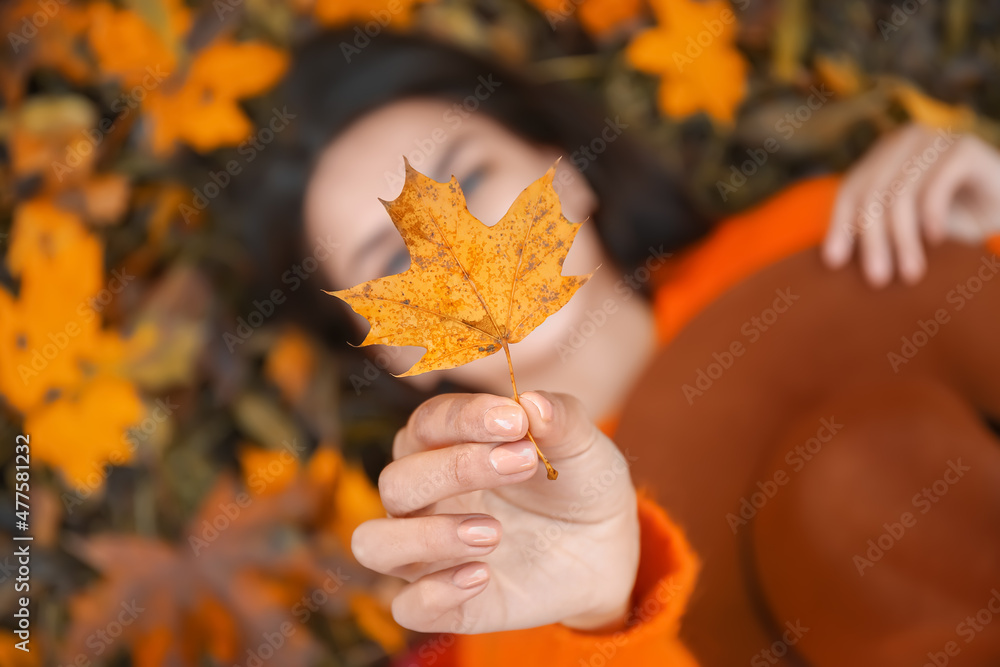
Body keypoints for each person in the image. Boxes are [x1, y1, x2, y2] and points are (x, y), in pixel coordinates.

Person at [238, 30, 1000, 666]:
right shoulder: (497, 583)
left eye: (469, 177)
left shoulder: (834, 239)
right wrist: (605, 613)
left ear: (563, 175)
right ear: (391, 353)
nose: (455, 260)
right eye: (391, 260)